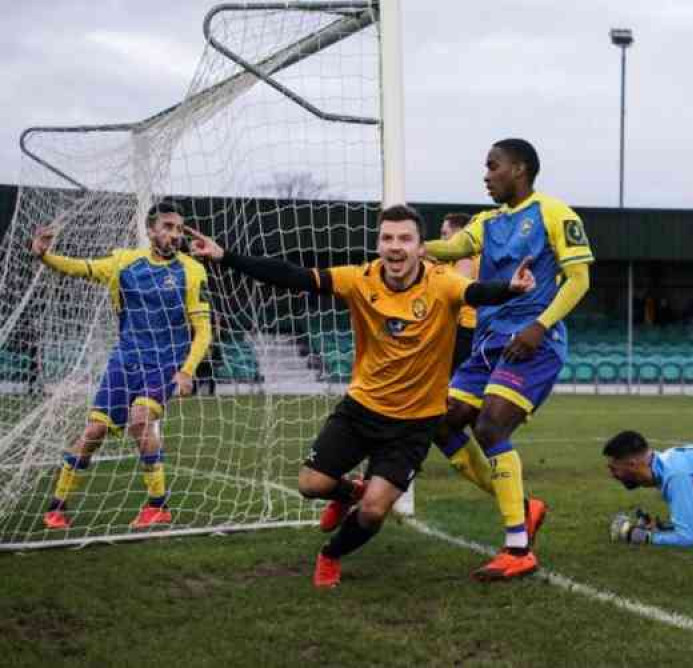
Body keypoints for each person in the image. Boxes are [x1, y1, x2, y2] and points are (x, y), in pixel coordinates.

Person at [186, 204, 536, 589]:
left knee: (372, 512)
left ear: (422, 248)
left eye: (405, 239)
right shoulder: (359, 279)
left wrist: (509, 288)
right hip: (361, 410)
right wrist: (226, 257)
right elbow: (293, 277)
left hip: (415, 424)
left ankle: (331, 555)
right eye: (388, 238)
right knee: (311, 486)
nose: (396, 246)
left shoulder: (442, 283)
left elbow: (477, 291)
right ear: (378, 244)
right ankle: (349, 489)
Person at [424, 138, 594, 581]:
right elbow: (453, 249)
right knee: (443, 421)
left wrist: (539, 326)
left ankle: (518, 548)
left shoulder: (555, 213)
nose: (486, 174)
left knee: (490, 425)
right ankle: (522, 507)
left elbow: (579, 280)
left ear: (519, 169)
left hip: (533, 340)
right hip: (487, 341)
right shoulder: (487, 222)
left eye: (492, 166)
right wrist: (408, 246)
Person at [36, 201, 212, 530]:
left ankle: (158, 506)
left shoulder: (192, 270)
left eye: (178, 229)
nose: (175, 235)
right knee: (94, 431)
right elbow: (80, 268)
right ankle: (57, 506)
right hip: (125, 360)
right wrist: (45, 256)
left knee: (141, 419)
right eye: (168, 227)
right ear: (150, 230)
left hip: (164, 363)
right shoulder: (124, 264)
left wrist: (187, 370)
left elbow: (203, 329)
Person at [439, 212, 479, 373]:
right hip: (467, 328)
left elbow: (457, 292)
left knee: (455, 382)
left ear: (459, 234)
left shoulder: (465, 258)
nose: (441, 239)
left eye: (444, 234)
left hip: (466, 329)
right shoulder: (461, 257)